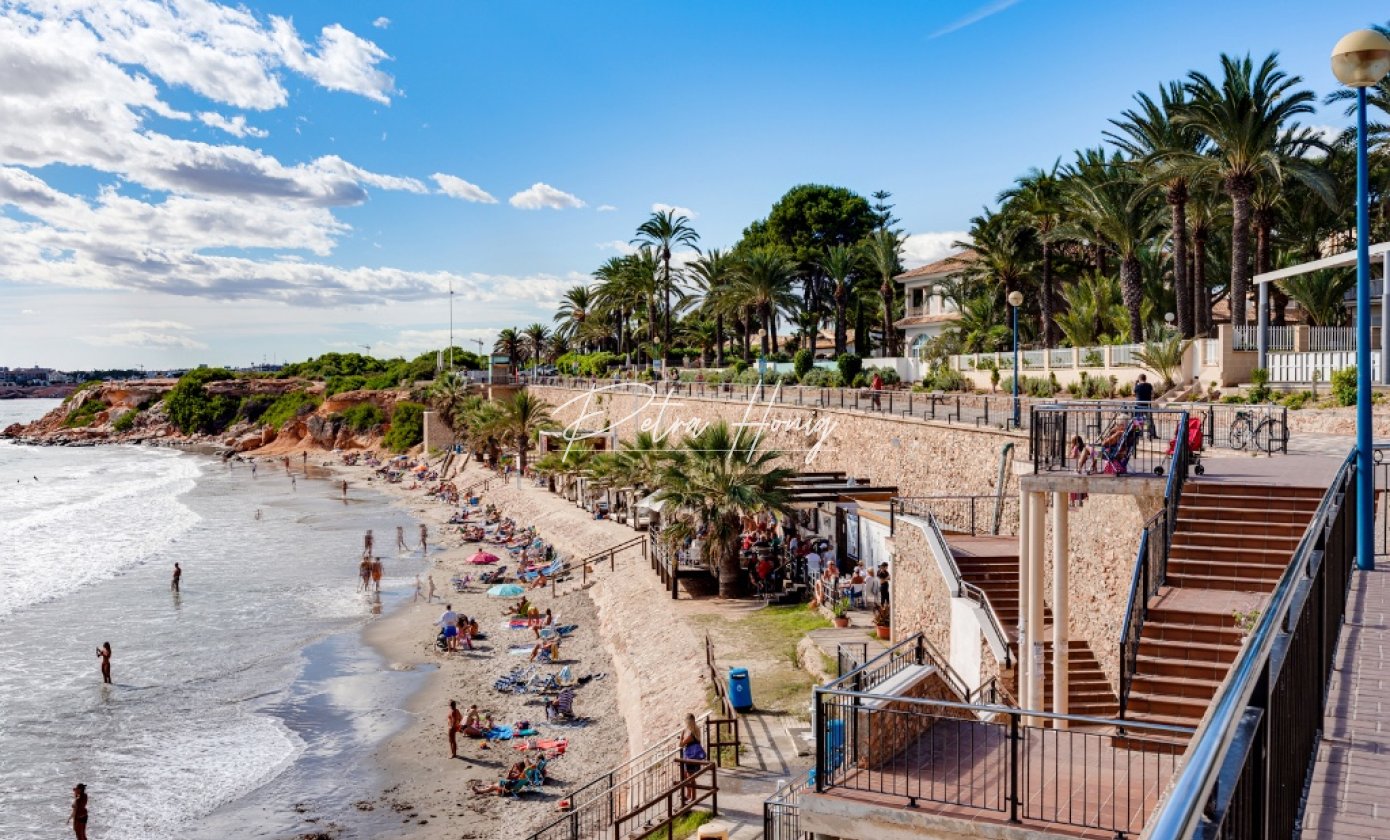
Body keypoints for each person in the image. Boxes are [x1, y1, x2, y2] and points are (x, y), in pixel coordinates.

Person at [676, 713, 706, 804]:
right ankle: (689, 795)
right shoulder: (696, 729)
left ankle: (693, 797)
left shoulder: (690, 734)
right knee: (687, 776)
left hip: (690, 757)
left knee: (690, 777)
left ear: (687, 722)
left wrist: (682, 735)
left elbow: (681, 744)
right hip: (693, 756)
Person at [1134, 373, 1157, 439]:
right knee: (1149, 420)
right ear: (1145, 379)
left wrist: (1135, 384)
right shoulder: (1149, 385)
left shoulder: (1137, 386)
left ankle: (1139, 435)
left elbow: (1133, 393)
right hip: (1147, 405)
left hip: (1139, 406)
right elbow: (1153, 394)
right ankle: (1152, 434)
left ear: (1139, 379)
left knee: (1138, 420)